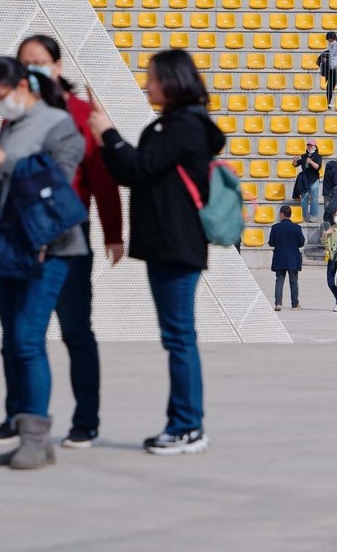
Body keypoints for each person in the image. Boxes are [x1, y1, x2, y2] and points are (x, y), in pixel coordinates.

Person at [88, 49, 222, 456]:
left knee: (179, 337)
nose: (147, 84)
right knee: (178, 337)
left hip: (176, 245)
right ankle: (182, 423)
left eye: (153, 77)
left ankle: (187, 426)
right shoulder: (176, 125)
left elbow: (138, 168)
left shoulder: (184, 127)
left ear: (174, 81)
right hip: (169, 244)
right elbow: (135, 170)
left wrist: (107, 133)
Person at [0, 56, 86, 469]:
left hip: (49, 245)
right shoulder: (12, 128)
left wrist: (5, 162)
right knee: (13, 343)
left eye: (0, 96)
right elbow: (0, 197)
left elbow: (58, 183)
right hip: (9, 243)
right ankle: (24, 430)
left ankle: (36, 438)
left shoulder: (58, 123)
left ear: (22, 86)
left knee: (28, 338)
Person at [15, 35, 123, 451]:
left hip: (69, 240)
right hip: (25, 241)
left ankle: (86, 421)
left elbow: (101, 179)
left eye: (39, 61)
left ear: (57, 66)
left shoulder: (80, 113)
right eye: (25, 62)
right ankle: (22, 419)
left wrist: (113, 234)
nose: (32, 68)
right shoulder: (17, 114)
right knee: (24, 336)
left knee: (76, 332)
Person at [267, 206, 303, 312]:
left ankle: (278, 303)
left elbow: (271, 243)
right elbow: (301, 243)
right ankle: (294, 304)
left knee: (279, 281)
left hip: (280, 258)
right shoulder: (297, 228)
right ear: (290, 214)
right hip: (293, 258)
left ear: (282, 214)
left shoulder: (275, 227)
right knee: (293, 281)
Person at [291, 141, 322, 224]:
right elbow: (295, 164)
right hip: (305, 179)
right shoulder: (304, 156)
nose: (309, 147)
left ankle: (313, 216)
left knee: (314, 198)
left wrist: (311, 162)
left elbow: (317, 167)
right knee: (304, 198)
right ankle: (303, 215)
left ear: (315, 147)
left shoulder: (318, 156)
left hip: (314, 179)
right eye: (308, 145)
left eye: (311, 145)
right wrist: (294, 160)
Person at [322, 209, 337, 312]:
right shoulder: (330, 228)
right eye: (335, 215)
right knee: (330, 281)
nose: (336, 217)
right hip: (332, 258)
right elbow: (324, 242)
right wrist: (326, 234)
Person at [322, 154, 337, 224]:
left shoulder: (329, 165)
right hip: (333, 194)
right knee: (333, 212)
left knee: (326, 211)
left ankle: (326, 227)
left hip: (326, 191)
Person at [318, 32, 337, 101]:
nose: (330, 42)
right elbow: (330, 54)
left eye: (331, 40)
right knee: (329, 87)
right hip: (331, 68)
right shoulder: (330, 45)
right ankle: (327, 102)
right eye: (329, 40)